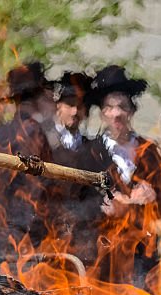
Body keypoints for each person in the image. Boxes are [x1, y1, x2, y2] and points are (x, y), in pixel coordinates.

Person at [88, 65, 161, 290]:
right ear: (102, 113)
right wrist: (120, 206)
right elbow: (89, 203)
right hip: (105, 253)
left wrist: (152, 196)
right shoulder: (92, 153)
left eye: (122, 107)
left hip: (143, 251)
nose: (117, 114)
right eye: (110, 107)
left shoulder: (149, 151)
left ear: (132, 111)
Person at [0, 61, 56, 269]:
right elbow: (41, 193)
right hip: (24, 243)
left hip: (6, 239)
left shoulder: (1, 136)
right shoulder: (32, 134)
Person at [43, 71, 112, 271]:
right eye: (70, 105)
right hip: (49, 236)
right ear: (59, 106)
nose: (75, 112)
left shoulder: (94, 148)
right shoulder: (42, 142)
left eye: (80, 106)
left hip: (83, 240)